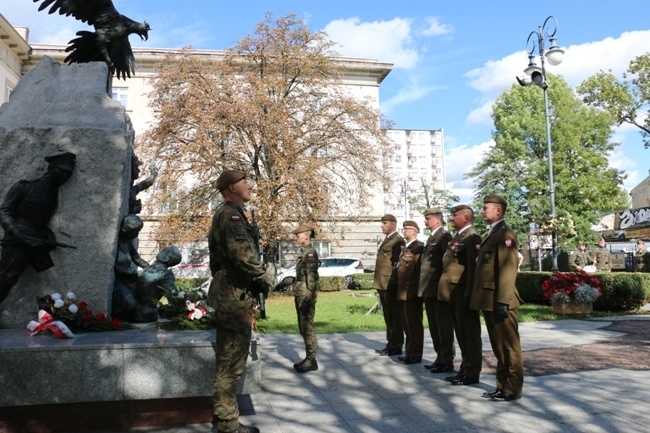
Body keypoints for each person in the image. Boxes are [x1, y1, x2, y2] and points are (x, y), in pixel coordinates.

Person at [206, 170, 270, 433]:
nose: (249, 185)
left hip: (232, 292)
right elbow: (242, 254)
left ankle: (225, 420)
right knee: (231, 363)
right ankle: (228, 425)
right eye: (244, 182)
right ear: (231, 188)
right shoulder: (230, 215)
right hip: (233, 294)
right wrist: (263, 277)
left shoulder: (232, 213)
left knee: (230, 360)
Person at [0, 152, 76, 306]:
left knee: (50, 276)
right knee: (7, 277)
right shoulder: (24, 186)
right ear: (51, 167)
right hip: (18, 240)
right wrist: (15, 232)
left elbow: (41, 221)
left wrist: (49, 237)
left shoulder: (53, 193)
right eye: (61, 171)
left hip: (37, 240)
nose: (64, 176)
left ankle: (61, 311)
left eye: (68, 173)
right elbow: (4, 211)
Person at [470, 195, 523, 402]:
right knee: (499, 347)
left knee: (510, 347)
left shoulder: (505, 234)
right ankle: (502, 386)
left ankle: (512, 388)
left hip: (502, 299)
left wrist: (503, 300)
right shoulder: (492, 233)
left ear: (498, 211)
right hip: (489, 299)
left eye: (486, 209)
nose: (482, 212)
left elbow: (508, 270)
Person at [438, 205, 483, 386]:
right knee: (461, 334)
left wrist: (470, 295)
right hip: (453, 293)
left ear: (466, 217)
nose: (451, 218)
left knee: (470, 335)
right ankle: (465, 369)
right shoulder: (459, 237)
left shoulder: (472, 238)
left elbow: (473, 270)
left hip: (463, 293)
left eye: (455, 215)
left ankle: (471, 373)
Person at [417, 208, 454, 373]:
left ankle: (447, 359)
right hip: (429, 288)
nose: (425, 221)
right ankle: (440, 357)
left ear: (437, 220)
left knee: (443, 326)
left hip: (438, 288)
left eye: (428, 218)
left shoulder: (444, 237)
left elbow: (447, 263)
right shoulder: (432, 237)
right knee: (434, 326)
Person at [373, 214, 405, 357]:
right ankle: (391, 343)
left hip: (390, 283)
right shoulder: (388, 240)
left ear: (393, 225)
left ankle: (396, 344)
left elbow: (397, 264)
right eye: (382, 223)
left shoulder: (398, 241)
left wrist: (394, 283)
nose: (382, 225)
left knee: (394, 316)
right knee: (388, 315)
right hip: (382, 282)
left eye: (385, 223)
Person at [291, 224, 320, 373]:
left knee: (307, 326)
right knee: (303, 326)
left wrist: (309, 297)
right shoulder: (305, 252)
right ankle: (309, 358)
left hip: (306, 294)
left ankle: (311, 359)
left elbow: (312, 278)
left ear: (306, 236)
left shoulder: (310, 253)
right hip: (301, 292)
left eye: (298, 235)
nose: (296, 237)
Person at [396, 220, 425, 364]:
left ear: (414, 231)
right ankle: (409, 352)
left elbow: (419, 271)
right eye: (403, 228)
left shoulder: (418, 247)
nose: (404, 231)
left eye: (407, 229)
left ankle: (416, 353)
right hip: (402, 292)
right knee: (407, 325)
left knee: (414, 325)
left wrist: (417, 292)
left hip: (411, 292)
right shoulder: (406, 248)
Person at [112, 213, 149, 321]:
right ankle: (119, 321)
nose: (137, 235)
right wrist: (129, 272)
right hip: (118, 281)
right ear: (127, 229)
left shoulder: (127, 242)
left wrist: (149, 268)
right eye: (135, 231)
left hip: (129, 280)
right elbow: (112, 267)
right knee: (131, 304)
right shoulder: (115, 243)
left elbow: (136, 258)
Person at [133, 245, 182, 322]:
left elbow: (173, 296)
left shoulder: (164, 274)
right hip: (138, 312)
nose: (161, 250)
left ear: (167, 258)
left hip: (145, 314)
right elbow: (174, 297)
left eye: (165, 251)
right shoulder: (151, 268)